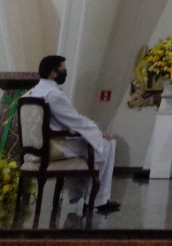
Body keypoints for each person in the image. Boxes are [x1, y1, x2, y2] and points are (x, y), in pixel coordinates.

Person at [27, 56, 119, 213]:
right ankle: (97, 200)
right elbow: (74, 120)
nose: (65, 72)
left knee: (93, 143)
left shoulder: (32, 92)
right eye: (63, 69)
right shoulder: (53, 94)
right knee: (106, 145)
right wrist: (98, 132)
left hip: (36, 146)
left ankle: (80, 194)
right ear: (54, 74)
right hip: (54, 147)